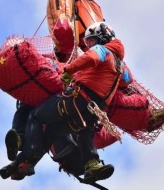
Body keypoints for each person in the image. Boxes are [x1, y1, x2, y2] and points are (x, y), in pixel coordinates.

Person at [8, 22, 126, 184]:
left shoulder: (101, 50)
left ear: (101, 37)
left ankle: (29, 148)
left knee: (36, 117)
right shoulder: (120, 65)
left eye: (91, 40)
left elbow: (90, 57)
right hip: (94, 111)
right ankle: (92, 165)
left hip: (78, 100)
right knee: (59, 131)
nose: (88, 45)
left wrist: (68, 71)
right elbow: (127, 81)